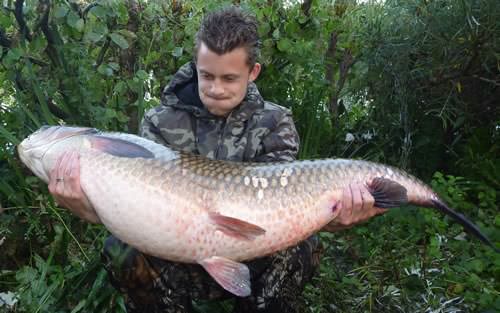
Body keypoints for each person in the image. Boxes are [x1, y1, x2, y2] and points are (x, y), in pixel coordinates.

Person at [48, 6, 386, 313]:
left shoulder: (275, 122)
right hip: (176, 246)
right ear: (196, 65)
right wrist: (87, 209)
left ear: (253, 72)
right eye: (207, 76)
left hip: (253, 246)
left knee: (303, 248)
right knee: (121, 250)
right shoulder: (159, 122)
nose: (216, 88)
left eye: (229, 78)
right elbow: (137, 210)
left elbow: (284, 207)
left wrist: (334, 217)